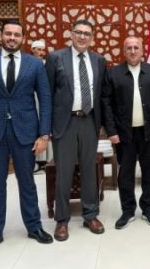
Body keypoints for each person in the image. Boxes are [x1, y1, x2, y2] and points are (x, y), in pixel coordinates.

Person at [0, 20, 53, 255]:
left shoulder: (34, 64)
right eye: (8, 34)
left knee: (27, 183)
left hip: (25, 133)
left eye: (17, 35)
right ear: (0, 36)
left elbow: (45, 99)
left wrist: (44, 134)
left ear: (23, 39)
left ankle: (34, 227)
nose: (12, 38)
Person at [45, 20, 107, 240]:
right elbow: (47, 94)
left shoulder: (99, 60)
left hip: (89, 121)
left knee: (89, 169)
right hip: (65, 123)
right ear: (70, 34)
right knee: (64, 171)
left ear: (92, 37)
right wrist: (46, 127)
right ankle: (62, 220)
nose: (82, 37)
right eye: (78, 32)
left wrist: (103, 124)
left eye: (87, 33)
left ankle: (90, 214)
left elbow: (102, 95)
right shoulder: (55, 58)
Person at [102, 36, 150, 229]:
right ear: (124, 51)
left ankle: (148, 208)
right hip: (124, 135)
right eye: (129, 48)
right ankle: (128, 210)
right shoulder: (113, 74)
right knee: (125, 173)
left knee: (149, 172)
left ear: (142, 51)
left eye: (136, 48)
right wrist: (111, 131)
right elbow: (106, 104)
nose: (133, 51)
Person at [31, 39, 52, 172]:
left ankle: (47, 162)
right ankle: (35, 161)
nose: (41, 52)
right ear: (32, 50)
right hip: (32, 99)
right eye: (38, 49)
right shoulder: (28, 63)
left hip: (44, 99)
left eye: (43, 50)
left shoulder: (47, 65)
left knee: (45, 128)